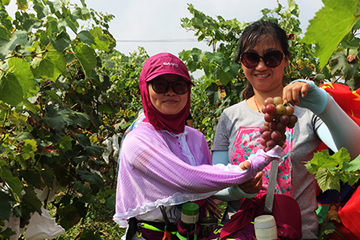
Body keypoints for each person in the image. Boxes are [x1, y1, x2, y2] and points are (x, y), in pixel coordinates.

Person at [211, 20, 360, 239]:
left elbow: (354, 151)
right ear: (242, 63)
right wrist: (238, 190)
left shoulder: (307, 111)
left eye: (271, 57)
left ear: (285, 61)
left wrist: (325, 105)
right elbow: (216, 181)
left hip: (297, 233)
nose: (261, 67)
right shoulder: (229, 116)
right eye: (251, 58)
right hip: (239, 232)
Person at [113, 52, 285, 240]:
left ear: (188, 91)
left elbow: (205, 185)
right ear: (145, 89)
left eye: (179, 86)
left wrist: (241, 189)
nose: (170, 92)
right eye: (160, 85)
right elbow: (186, 179)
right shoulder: (137, 141)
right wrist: (254, 164)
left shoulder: (196, 138)